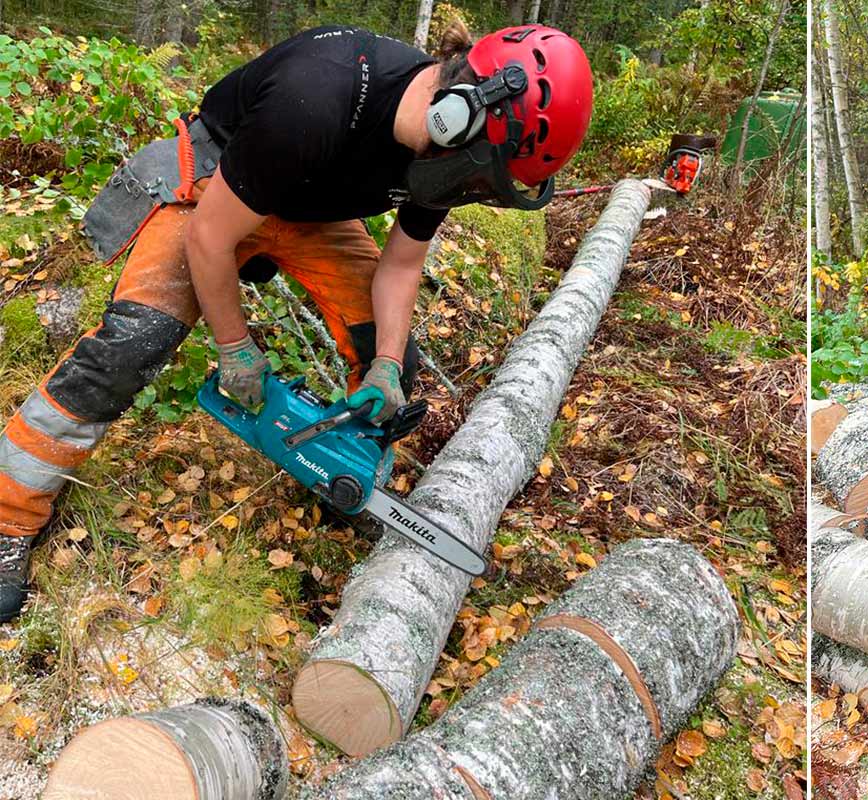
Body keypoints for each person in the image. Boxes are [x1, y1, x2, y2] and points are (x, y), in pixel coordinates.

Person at [0, 20, 594, 621]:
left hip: (312, 211)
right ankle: (9, 513)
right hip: (216, 186)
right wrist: (234, 347)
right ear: (458, 113)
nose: (469, 185)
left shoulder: (444, 152)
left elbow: (402, 262)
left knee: (392, 352)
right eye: (477, 170)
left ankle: (338, 465)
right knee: (134, 342)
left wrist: (387, 365)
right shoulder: (317, 97)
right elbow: (210, 237)